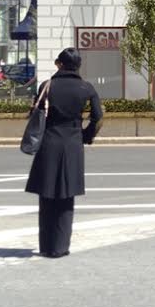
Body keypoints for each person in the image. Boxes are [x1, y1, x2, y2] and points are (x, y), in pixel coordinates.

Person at [24, 48, 103, 258]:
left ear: (59, 64)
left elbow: (36, 112)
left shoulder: (47, 86)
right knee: (66, 197)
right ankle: (60, 247)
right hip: (72, 144)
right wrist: (86, 135)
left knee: (47, 196)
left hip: (49, 142)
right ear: (78, 65)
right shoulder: (86, 88)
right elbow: (98, 116)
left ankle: (46, 245)